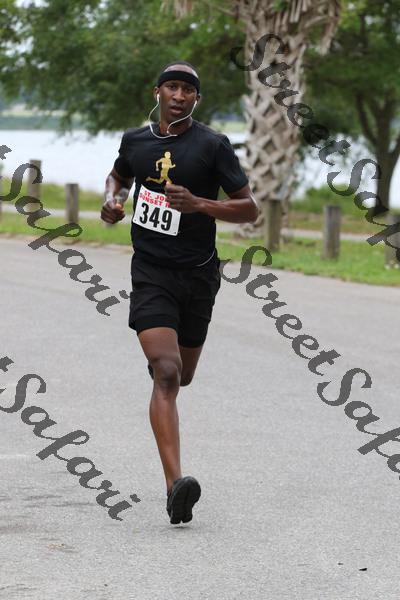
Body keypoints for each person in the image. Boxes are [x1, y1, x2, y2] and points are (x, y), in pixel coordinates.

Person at [101, 60, 259, 525]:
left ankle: (165, 366)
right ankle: (176, 486)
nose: (179, 95)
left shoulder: (213, 145)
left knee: (183, 376)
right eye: (171, 87)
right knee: (166, 374)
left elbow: (248, 207)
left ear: (196, 99)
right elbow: (118, 177)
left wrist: (200, 204)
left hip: (199, 275)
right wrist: (112, 201)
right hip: (151, 273)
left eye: (188, 90)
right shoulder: (135, 141)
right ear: (158, 92)